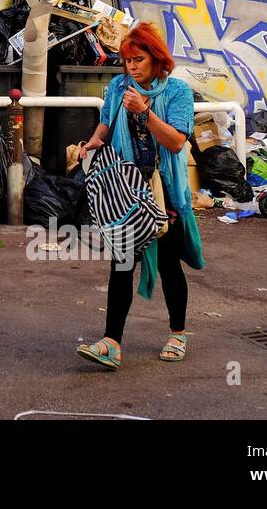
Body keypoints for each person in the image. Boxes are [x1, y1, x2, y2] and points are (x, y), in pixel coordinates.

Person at [75, 22, 203, 369]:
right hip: (127, 192)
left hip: (165, 194)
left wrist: (144, 112)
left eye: (138, 59)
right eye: (127, 60)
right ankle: (111, 342)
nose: (131, 66)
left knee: (167, 263)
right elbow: (106, 124)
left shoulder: (177, 92)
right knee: (122, 264)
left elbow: (176, 141)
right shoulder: (118, 87)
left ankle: (178, 333)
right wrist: (91, 144)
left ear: (157, 59)